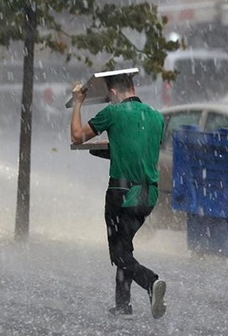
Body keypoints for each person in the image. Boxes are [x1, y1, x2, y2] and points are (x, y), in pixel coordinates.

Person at [69, 73, 167, 319]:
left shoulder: (113, 113)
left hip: (121, 194)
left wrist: (78, 102)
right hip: (148, 196)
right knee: (125, 246)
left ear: (112, 93)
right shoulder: (156, 117)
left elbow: (77, 136)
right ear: (133, 87)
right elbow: (140, 150)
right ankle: (123, 305)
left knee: (119, 253)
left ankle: (150, 281)